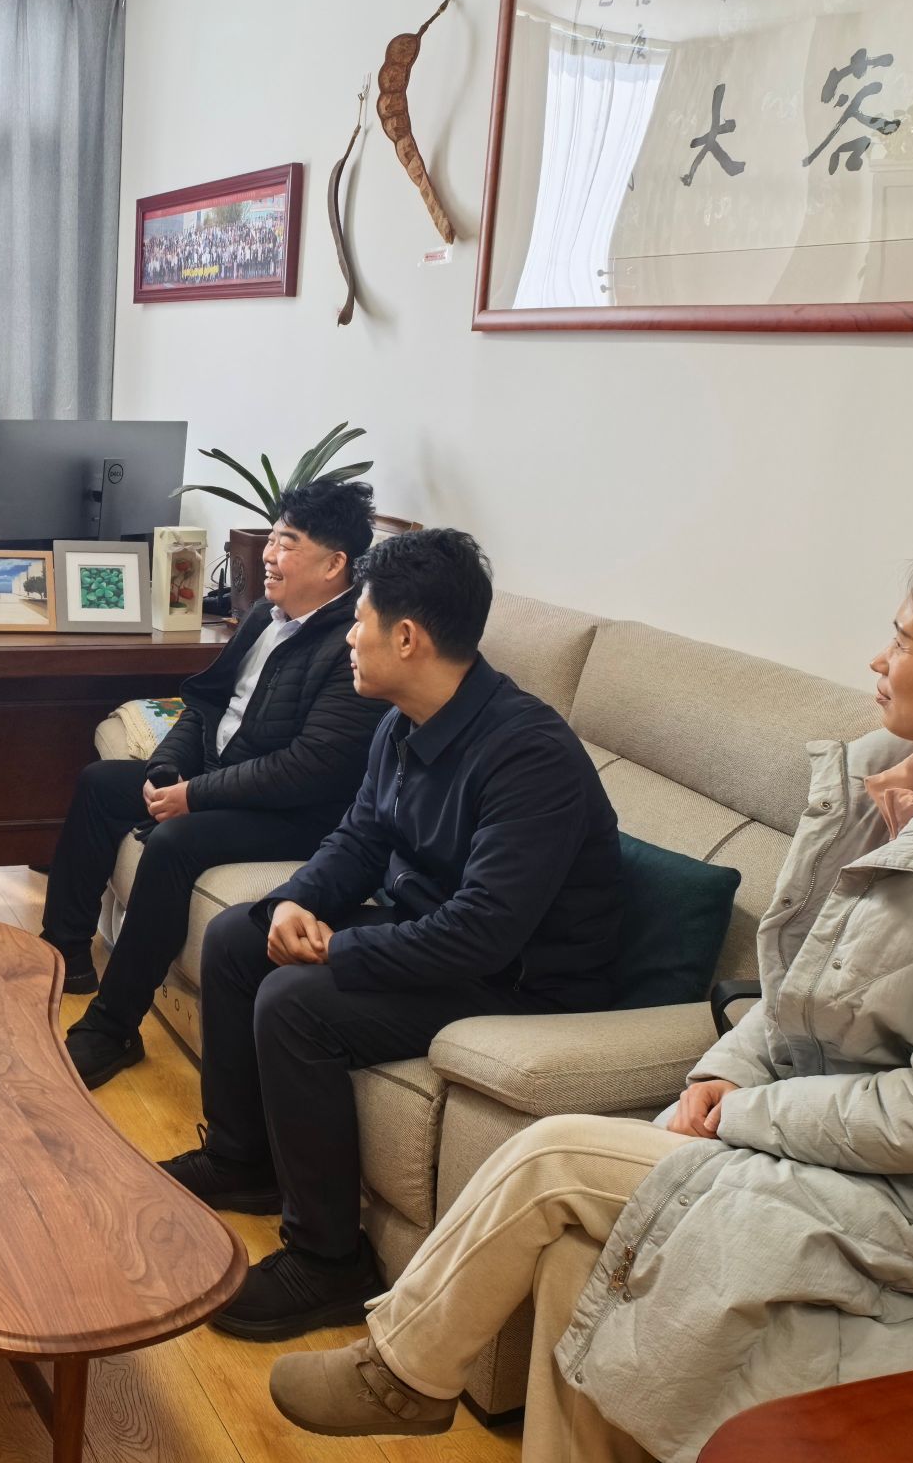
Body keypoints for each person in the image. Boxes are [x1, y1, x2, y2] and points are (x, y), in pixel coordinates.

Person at [266, 542, 913, 1463]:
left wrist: (743, 1114)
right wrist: (723, 1071)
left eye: (905, 642)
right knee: (575, 1259)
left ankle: (400, 1371)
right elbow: (795, 995)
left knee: (554, 1154)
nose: (879, 659)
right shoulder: (894, 800)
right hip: (846, 1160)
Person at [162, 528, 625, 1339]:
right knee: (242, 936)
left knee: (296, 1002)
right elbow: (360, 839)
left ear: (407, 637)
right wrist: (295, 902)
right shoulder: (404, 721)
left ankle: (329, 1262)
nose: (348, 636)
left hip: (526, 980)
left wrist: (338, 948)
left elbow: (484, 934)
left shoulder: (529, 755)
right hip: (439, 933)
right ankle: (242, 1160)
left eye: (359, 621)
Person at [44, 480, 387, 1088]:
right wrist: (166, 771)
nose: (269, 556)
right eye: (272, 539)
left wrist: (195, 797)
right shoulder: (263, 616)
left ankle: (113, 1028)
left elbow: (311, 767)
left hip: (296, 814)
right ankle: (63, 951)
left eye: (287, 543)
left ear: (334, 564)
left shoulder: (350, 644)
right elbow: (203, 704)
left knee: (175, 843)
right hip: (219, 777)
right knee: (101, 784)